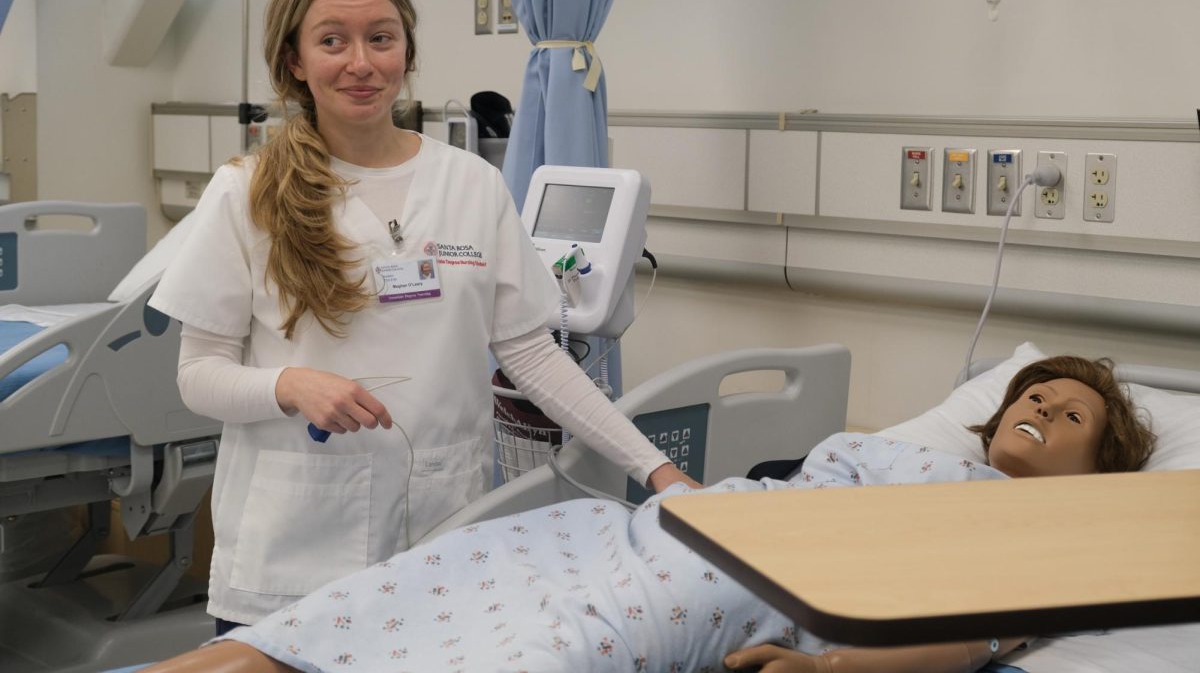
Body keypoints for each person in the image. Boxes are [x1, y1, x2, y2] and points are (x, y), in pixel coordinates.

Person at [148, 0, 695, 634]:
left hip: (444, 543)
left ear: (407, 50)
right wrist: (289, 385)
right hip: (292, 556)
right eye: (332, 41)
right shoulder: (247, 192)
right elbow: (198, 376)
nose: (361, 62)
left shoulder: (472, 184)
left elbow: (531, 356)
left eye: (381, 38)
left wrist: (658, 472)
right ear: (294, 60)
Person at [140, 355, 1155, 673]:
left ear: (1098, 471)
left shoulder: (1050, 537)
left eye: (1072, 414)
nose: (1040, 407)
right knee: (346, 614)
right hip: (649, 531)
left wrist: (832, 666)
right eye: (1031, 394)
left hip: (720, 586)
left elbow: (979, 636)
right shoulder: (898, 450)